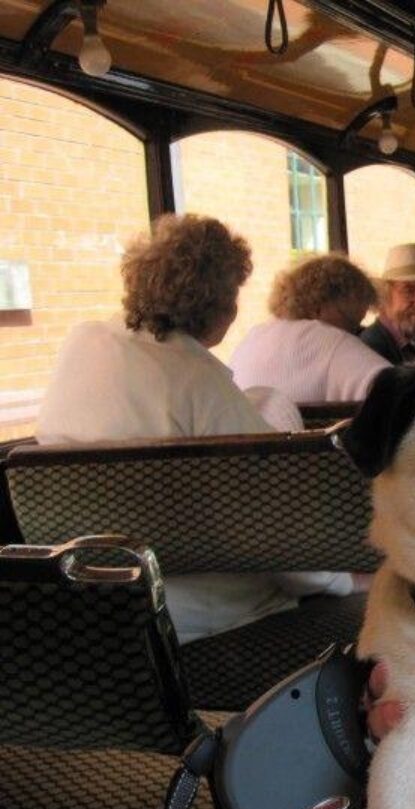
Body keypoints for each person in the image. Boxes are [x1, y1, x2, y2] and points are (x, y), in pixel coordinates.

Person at [36, 214, 352, 643]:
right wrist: (346, 581)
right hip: (201, 618)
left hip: (92, 604)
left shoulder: (83, 343)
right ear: (223, 305)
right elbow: (283, 537)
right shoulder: (200, 384)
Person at [230, 254, 389, 403]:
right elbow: (396, 390)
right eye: (351, 322)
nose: (355, 334)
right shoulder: (329, 341)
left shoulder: (251, 338)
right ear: (318, 308)